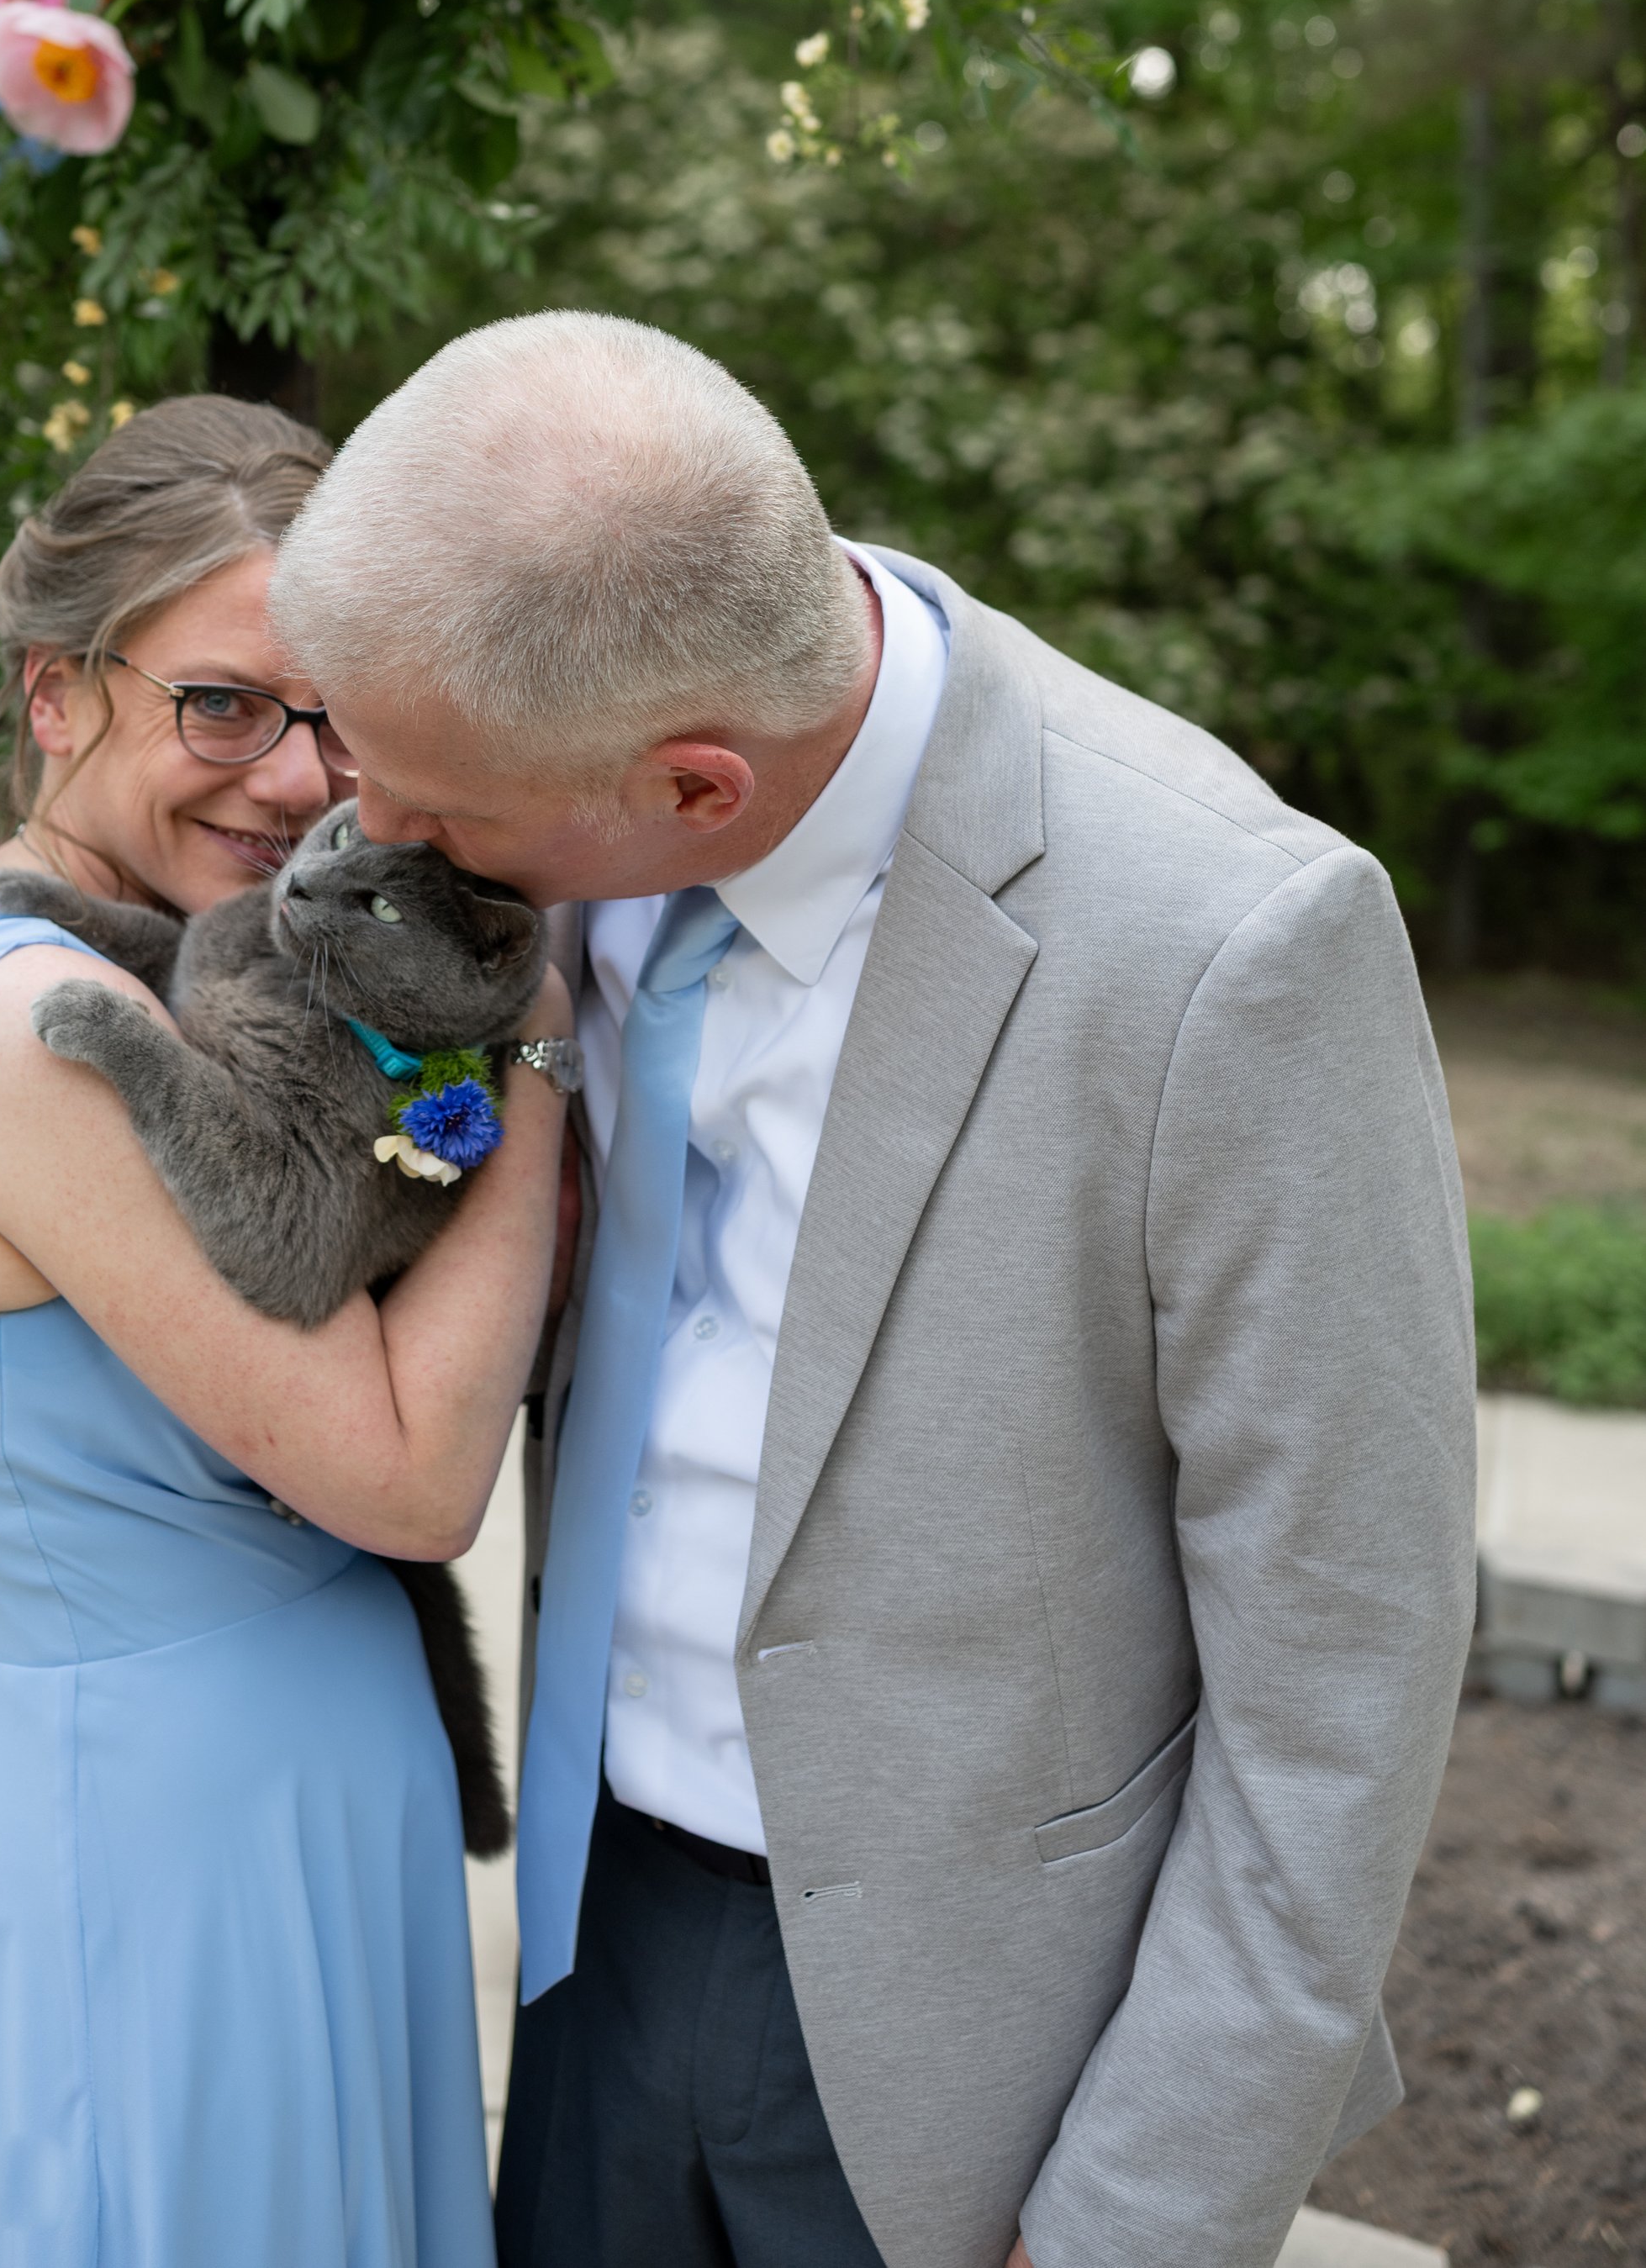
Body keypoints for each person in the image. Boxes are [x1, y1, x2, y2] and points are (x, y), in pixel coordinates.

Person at [267, 314, 1480, 2268]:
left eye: (436, 810)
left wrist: (1130, 2224)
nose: (376, 840)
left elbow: (1341, 1681)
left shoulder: (1232, 947)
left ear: (690, 788)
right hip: (585, 1936)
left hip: (971, 2060)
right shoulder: (560, 767)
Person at [0, 396, 572, 2268]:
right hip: (159, 1869)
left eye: (339, 721)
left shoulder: (58, 955)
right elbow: (405, 1473)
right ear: (56, 693)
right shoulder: (31, 1030)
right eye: (222, 704)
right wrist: (526, 1052)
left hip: (236, 1820)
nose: (295, 781)